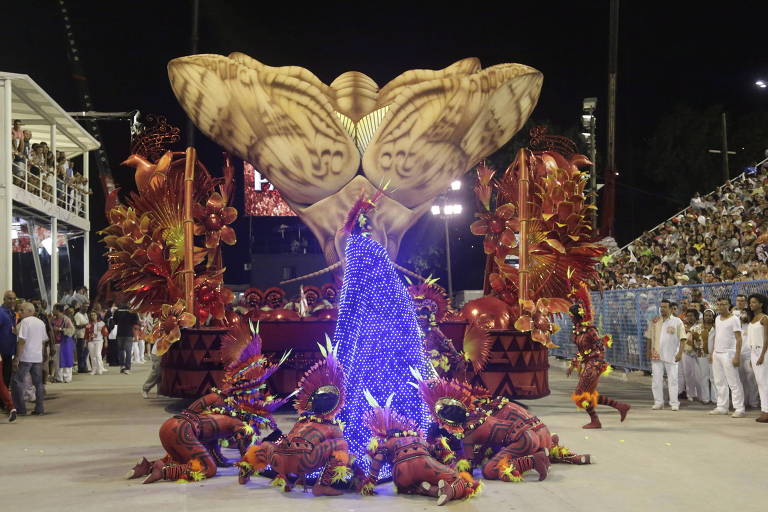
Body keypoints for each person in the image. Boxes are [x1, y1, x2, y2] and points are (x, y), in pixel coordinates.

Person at [646, 299, 686, 411]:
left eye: (665, 307)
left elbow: (683, 338)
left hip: (671, 354)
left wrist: (680, 353)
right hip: (656, 354)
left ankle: (674, 403)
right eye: (661, 307)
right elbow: (649, 336)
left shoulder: (677, 321)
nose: (662, 309)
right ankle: (658, 402)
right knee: (656, 380)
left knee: (673, 379)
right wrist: (648, 350)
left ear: (670, 308)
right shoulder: (654, 321)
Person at [710, 297, 746, 417]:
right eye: (718, 304)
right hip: (717, 353)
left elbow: (739, 338)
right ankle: (722, 406)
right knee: (719, 381)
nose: (720, 307)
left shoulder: (734, 319)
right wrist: (712, 352)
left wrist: (737, 355)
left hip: (728, 353)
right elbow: (717, 335)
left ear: (729, 305)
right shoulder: (717, 319)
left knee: (733, 381)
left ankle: (739, 408)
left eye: (723, 304)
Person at [12, 302, 49, 416]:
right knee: (38, 384)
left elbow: (22, 341)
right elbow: (43, 341)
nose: (20, 312)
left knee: (17, 382)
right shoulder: (41, 323)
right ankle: (39, 409)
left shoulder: (25, 322)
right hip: (37, 358)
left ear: (30, 311)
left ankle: (20, 409)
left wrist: (17, 358)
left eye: (22, 310)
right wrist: (42, 356)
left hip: (25, 357)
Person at [734, 294, 760, 409]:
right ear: (735, 301)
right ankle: (742, 401)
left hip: (749, 350)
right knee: (739, 378)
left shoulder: (751, 313)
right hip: (737, 350)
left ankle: (753, 401)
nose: (740, 302)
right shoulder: (732, 314)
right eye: (738, 300)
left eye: (742, 301)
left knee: (751, 376)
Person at [746, 294, 768, 423]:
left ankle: (766, 411)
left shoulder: (764, 318)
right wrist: (752, 356)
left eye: (754, 302)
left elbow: (766, 339)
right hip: (754, 351)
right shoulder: (753, 318)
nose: (751, 304)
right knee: (760, 382)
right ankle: (764, 410)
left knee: (764, 383)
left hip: (762, 351)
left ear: (761, 304)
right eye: (750, 302)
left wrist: (761, 356)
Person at [682, 309, 703, 402]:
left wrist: (690, 331)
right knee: (688, 374)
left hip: (698, 353)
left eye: (692, 315)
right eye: (688, 315)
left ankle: (701, 394)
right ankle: (690, 394)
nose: (690, 317)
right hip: (686, 352)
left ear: (696, 317)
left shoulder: (699, 326)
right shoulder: (682, 326)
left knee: (699, 375)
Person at [113, 304, 139, 374]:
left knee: (121, 350)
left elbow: (114, 322)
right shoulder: (132, 311)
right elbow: (136, 322)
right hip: (129, 333)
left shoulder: (117, 311)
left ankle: (122, 366)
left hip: (120, 333)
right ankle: (127, 368)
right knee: (128, 351)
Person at [52, 305, 75, 383]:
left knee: (66, 359)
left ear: (58, 310)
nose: (52, 311)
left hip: (65, 342)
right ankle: (59, 377)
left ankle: (67, 377)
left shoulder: (66, 319)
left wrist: (60, 329)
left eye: (54, 309)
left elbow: (72, 330)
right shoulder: (53, 320)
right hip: (56, 342)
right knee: (57, 361)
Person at [0, 290, 18, 389]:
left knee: (7, 377)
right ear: (4, 299)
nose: (12, 301)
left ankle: (4, 400)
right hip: (3, 351)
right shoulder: (1, 313)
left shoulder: (11, 313)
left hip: (9, 350)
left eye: (14, 298)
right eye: (9, 298)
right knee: (3, 378)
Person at [73, 303, 89, 374]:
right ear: (81, 307)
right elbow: (76, 326)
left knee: (85, 352)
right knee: (81, 353)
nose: (86, 309)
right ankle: (81, 367)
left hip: (86, 336)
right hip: (80, 336)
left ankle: (84, 366)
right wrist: (85, 325)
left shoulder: (85, 315)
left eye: (87, 307)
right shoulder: (77, 315)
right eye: (84, 307)